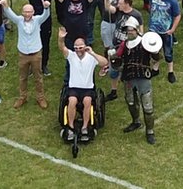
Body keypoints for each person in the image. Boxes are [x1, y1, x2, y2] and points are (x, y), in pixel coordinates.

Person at [114, 16, 161, 144]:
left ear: (136, 30)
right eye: (127, 30)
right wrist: (113, 58)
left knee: (147, 107)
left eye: (132, 30)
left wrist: (155, 53)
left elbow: (156, 57)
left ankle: (150, 131)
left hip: (143, 77)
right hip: (128, 76)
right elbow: (117, 58)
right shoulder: (124, 44)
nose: (129, 32)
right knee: (130, 102)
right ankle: (136, 121)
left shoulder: (144, 42)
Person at [57, 26, 109, 141]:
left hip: (87, 88)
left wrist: (93, 53)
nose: (78, 50)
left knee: (88, 101)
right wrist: (61, 38)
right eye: (76, 48)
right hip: (74, 88)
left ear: (85, 47)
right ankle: (70, 127)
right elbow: (62, 48)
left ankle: (85, 127)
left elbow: (104, 62)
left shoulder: (91, 58)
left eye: (80, 47)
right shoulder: (71, 56)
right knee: (72, 101)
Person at [4, 0, 52, 110]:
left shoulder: (37, 20)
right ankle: (22, 97)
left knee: (38, 77)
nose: (27, 14)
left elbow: (46, 15)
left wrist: (46, 7)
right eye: (25, 11)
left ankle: (40, 98)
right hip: (23, 54)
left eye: (29, 12)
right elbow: (10, 14)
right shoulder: (19, 20)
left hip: (36, 54)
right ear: (22, 12)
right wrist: (5, 5)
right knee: (23, 77)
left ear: (33, 12)